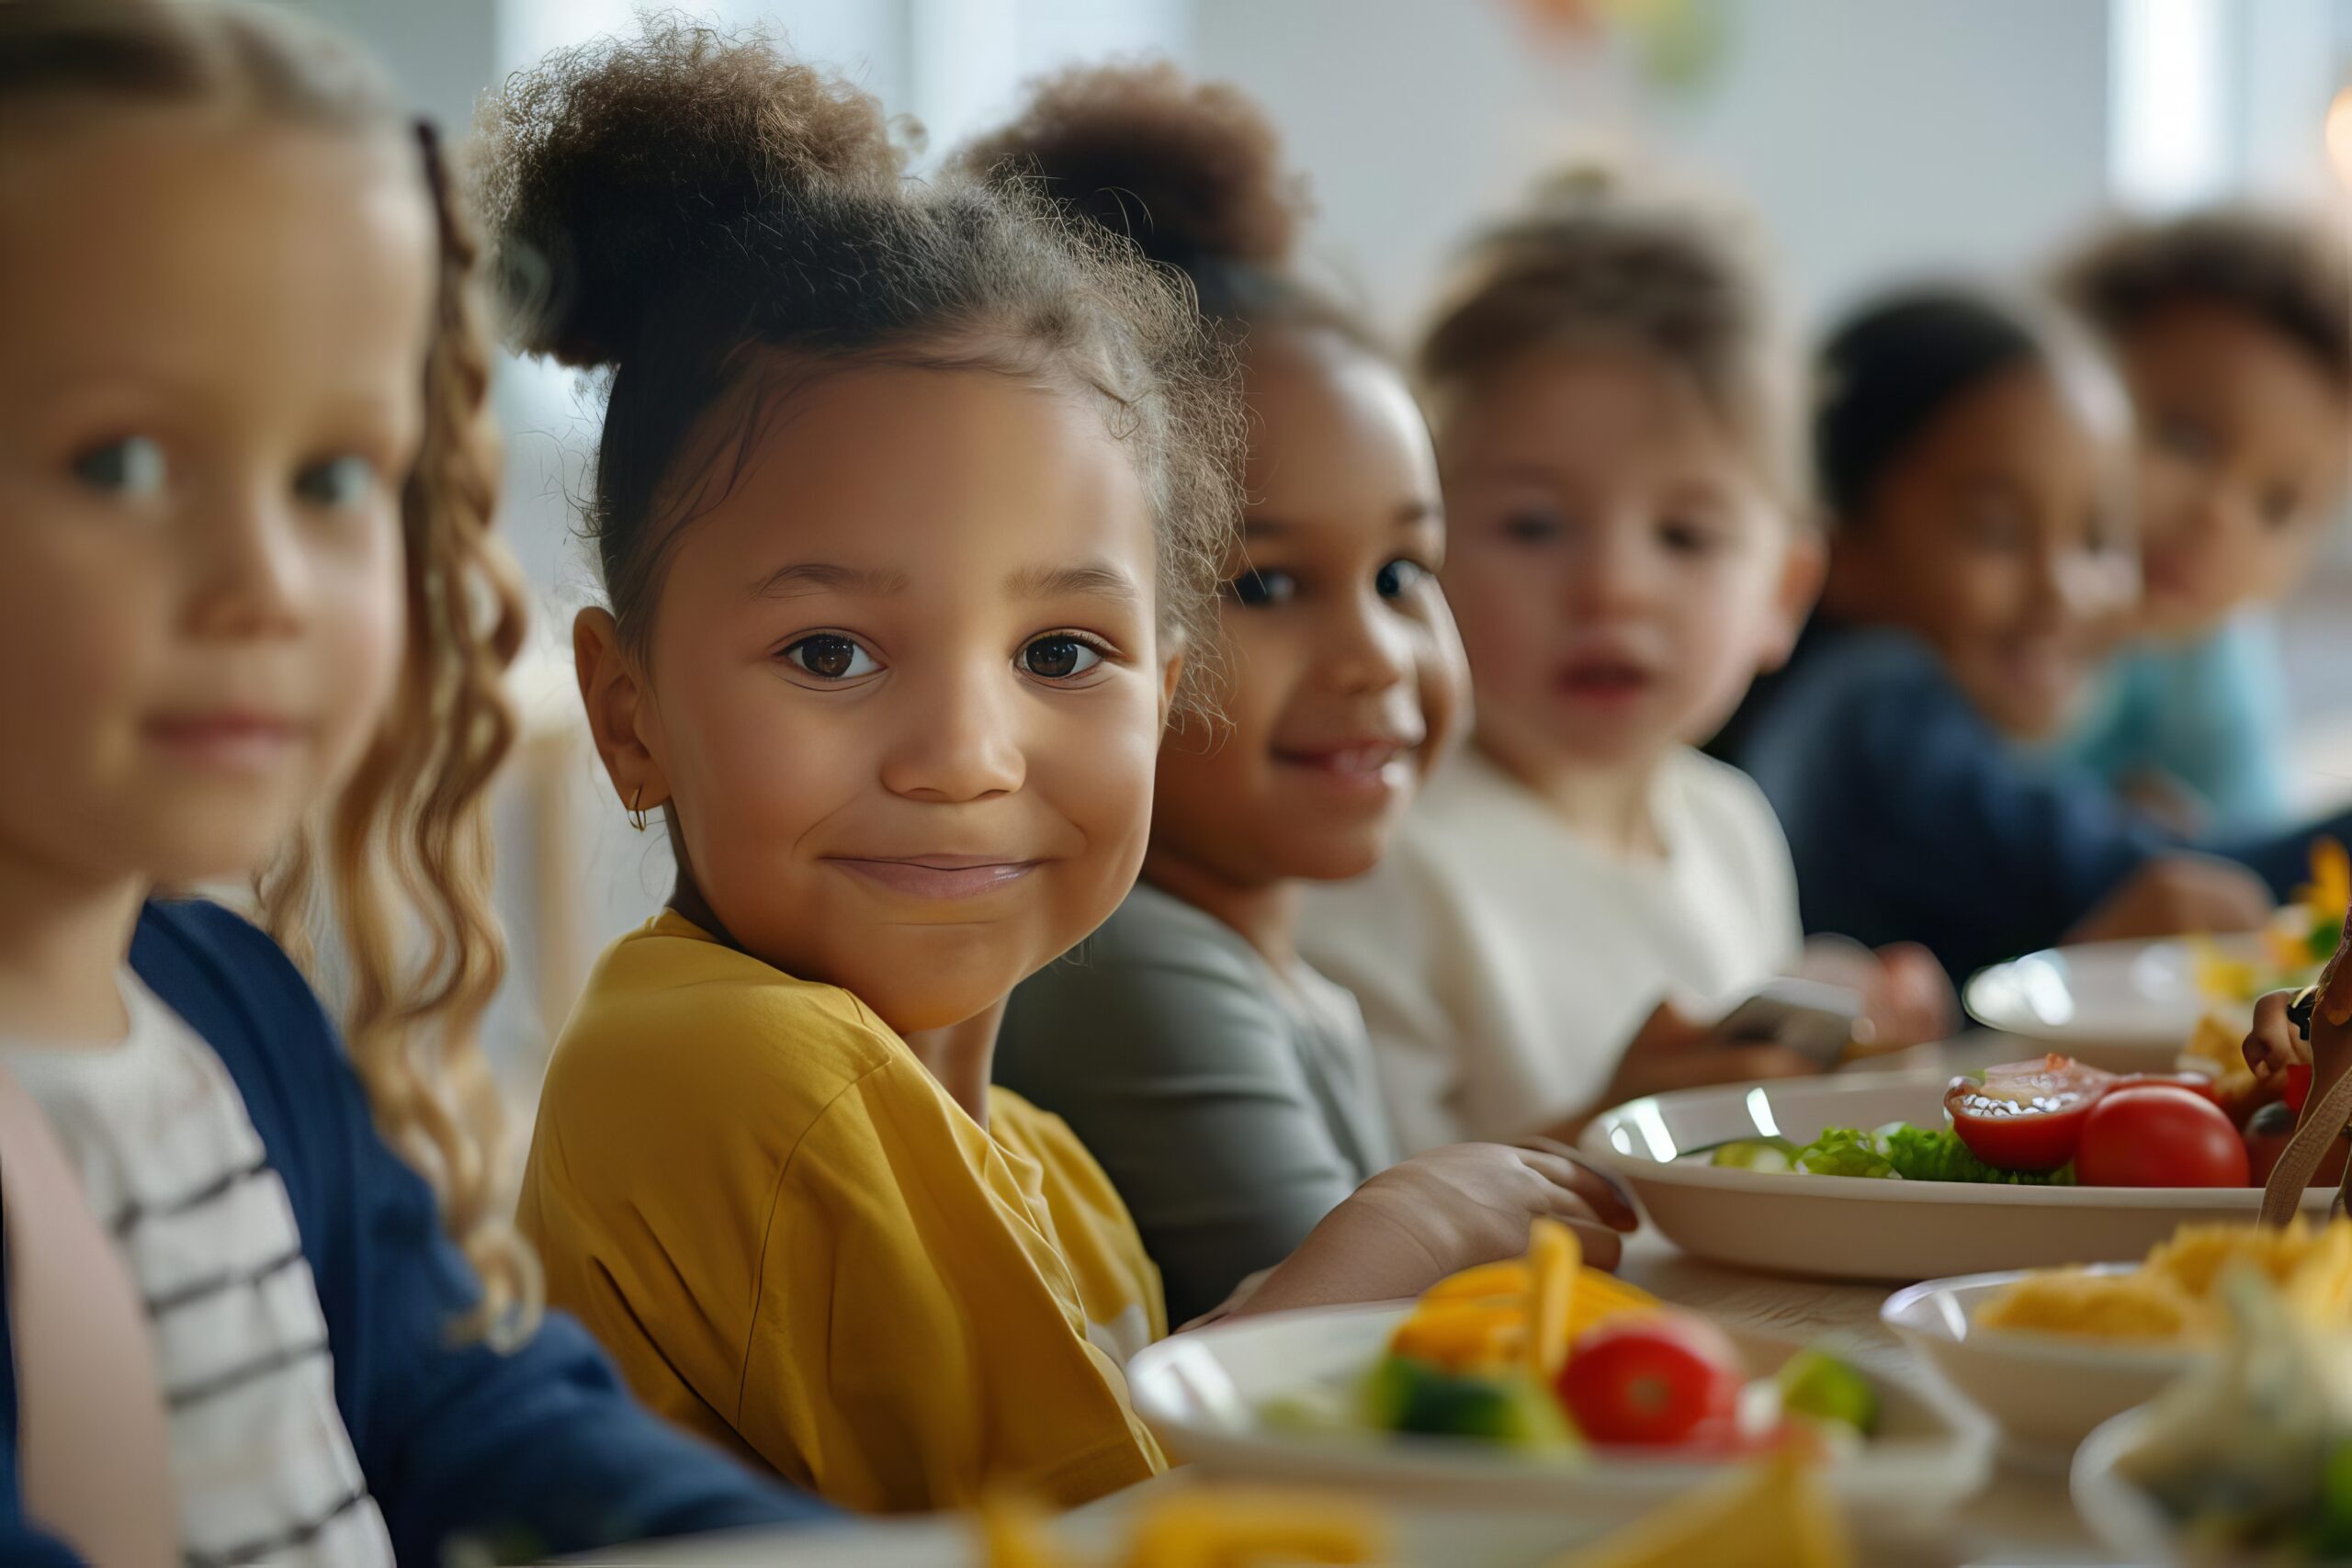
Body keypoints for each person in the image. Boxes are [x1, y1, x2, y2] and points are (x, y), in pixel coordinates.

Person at [501, 22, 1633, 1516]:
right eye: (831, 652)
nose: (967, 757)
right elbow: (1090, 1543)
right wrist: (1379, 1256)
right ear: (629, 712)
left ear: (1163, 693)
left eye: (1060, 655)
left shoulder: (1038, 1160)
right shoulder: (739, 1069)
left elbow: (1113, 1462)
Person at [0, 5, 831, 1562]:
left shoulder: (228, 1007)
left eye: (331, 480)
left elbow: (483, 1420)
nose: (266, 585)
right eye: (118, 463)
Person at [1302, 173, 1948, 1154]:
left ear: (1782, 593)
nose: (1611, 588)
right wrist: (1605, 1133)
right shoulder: (1378, 858)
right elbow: (1350, 1245)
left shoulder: (1729, 828)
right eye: (1532, 525)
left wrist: (1844, 1052)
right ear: (1415, 558)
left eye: (1684, 536)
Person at [1724, 288, 2352, 981]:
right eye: (1997, 532)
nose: (2064, 590)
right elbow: (2170, 882)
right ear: (1841, 542)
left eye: (2097, 537)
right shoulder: (1871, 704)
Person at [2052, 209, 2352, 835]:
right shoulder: (1955, 614)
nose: (2218, 517)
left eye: (2277, 506)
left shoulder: (2213, 657)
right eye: (2185, 440)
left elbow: (2258, 853)